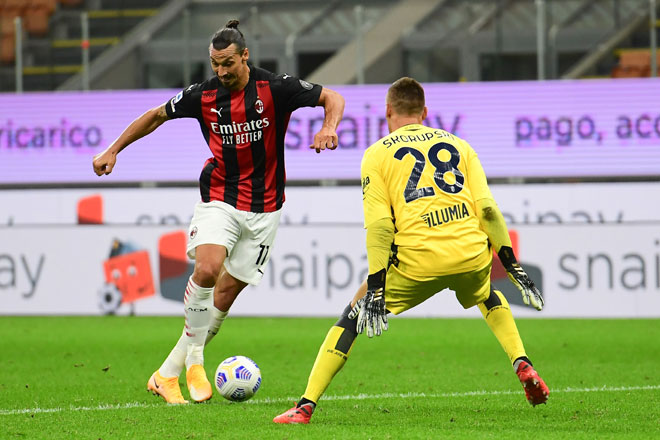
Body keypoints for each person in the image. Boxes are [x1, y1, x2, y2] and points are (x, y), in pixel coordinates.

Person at [92, 20, 345, 404]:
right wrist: (113, 149)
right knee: (208, 270)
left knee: (223, 297)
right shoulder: (203, 95)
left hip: (266, 207)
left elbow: (333, 97)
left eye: (228, 63)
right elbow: (156, 115)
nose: (222, 72)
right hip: (220, 196)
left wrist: (329, 126)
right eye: (216, 64)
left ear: (245, 56)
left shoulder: (275, 88)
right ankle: (195, 362)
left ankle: (165, 375)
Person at [273, 77, 548, 424]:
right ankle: (522, 362)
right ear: (425, 112)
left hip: (418, 261)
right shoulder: (461, 146)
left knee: (353, 316)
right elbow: (488, 210)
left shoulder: (376, 154)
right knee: (486, 293)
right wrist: (511, 264)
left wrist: (375, 287)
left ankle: (304, 406)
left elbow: (380, 227)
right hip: (470, 254)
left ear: (388, 111)